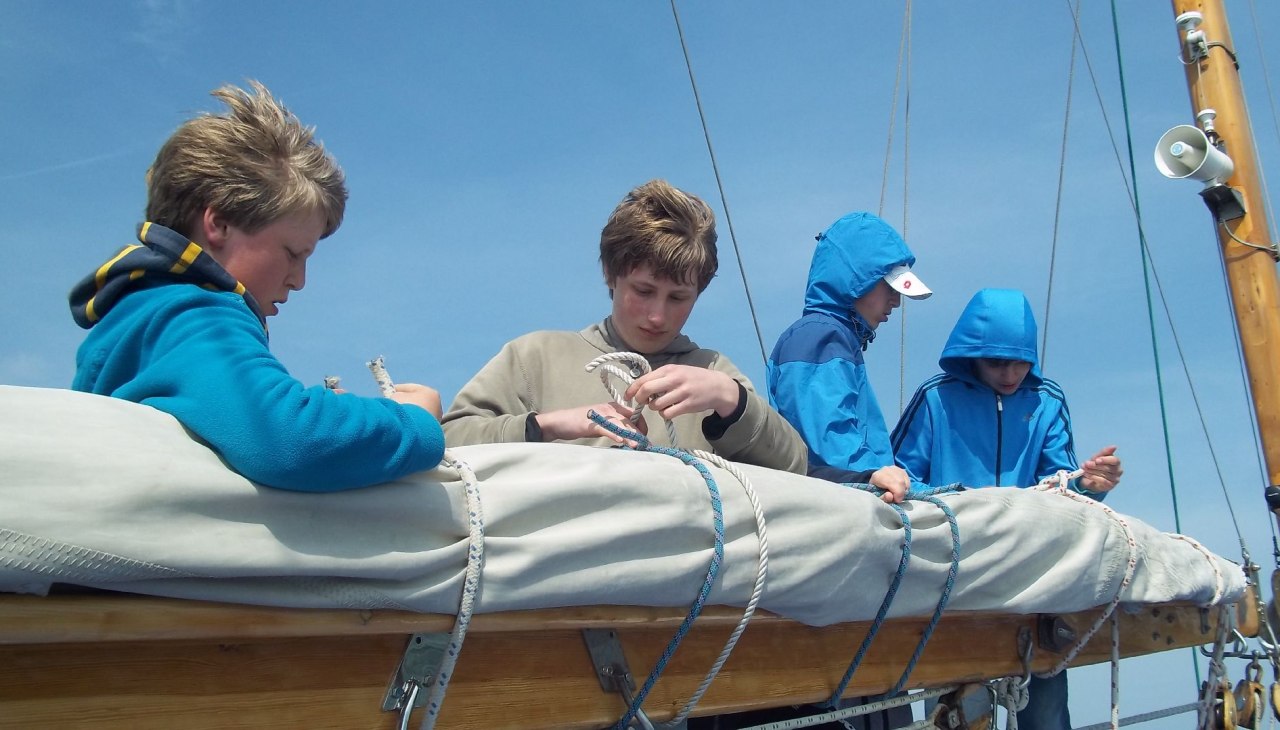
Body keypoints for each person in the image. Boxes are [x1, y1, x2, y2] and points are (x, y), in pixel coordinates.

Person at [68, 81, 445, 492]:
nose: (299, 281)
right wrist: (412, 420)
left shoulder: (136, 313)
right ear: (219, 224)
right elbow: (288, 437)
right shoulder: (194, 313)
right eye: (292, 253)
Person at [442, 179, 807, 475]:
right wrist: (546, 426)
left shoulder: (715, 372)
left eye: (678, 298)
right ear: (610, 275)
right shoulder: (533, 358)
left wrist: (732, 400)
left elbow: (795, 468)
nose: (657, 316)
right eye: (644, 291)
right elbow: (447, 443)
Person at [890, 287, 1123, 730]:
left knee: (1047, 711)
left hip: (1031, 581)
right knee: (951, 715)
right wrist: (965, 503)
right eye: (997, 361)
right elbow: (898, 480)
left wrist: (1092, 487)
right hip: (952, 578)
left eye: (1020, 360)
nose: (1011, 373)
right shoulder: (935, 399)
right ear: (971, 355)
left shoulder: (1048, 401)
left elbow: (1063, 490)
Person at [766, 211, 932, 503]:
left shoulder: (830, 337)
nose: (896, 301)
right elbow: (831, 443)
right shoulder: (819, 337)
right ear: (855, 279)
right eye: (888, 286)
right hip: (837, 504)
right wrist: (873, 475)